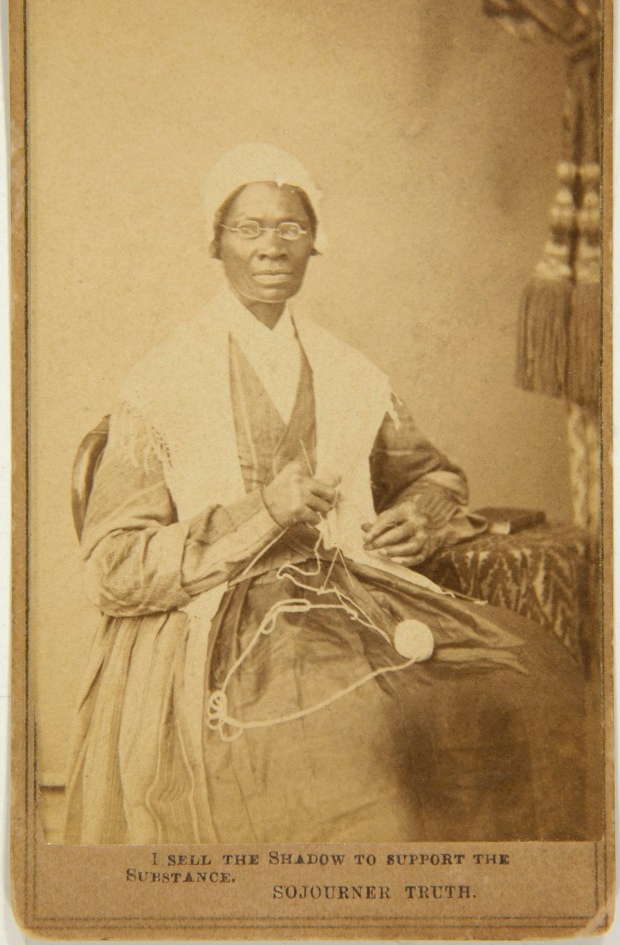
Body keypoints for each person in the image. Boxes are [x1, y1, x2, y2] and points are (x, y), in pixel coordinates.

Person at [64, 144, 589, 845]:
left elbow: (435, 477)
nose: (272, 246)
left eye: (291, 227)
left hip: (355, 594)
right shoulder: (161, 384)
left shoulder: (352, 374)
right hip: (216, 617)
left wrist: (419, 521)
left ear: (316, 243)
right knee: (344, 737)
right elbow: (113, 567)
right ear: (214, 242)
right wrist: (263, 511)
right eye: (248, 228)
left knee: (533, 677)